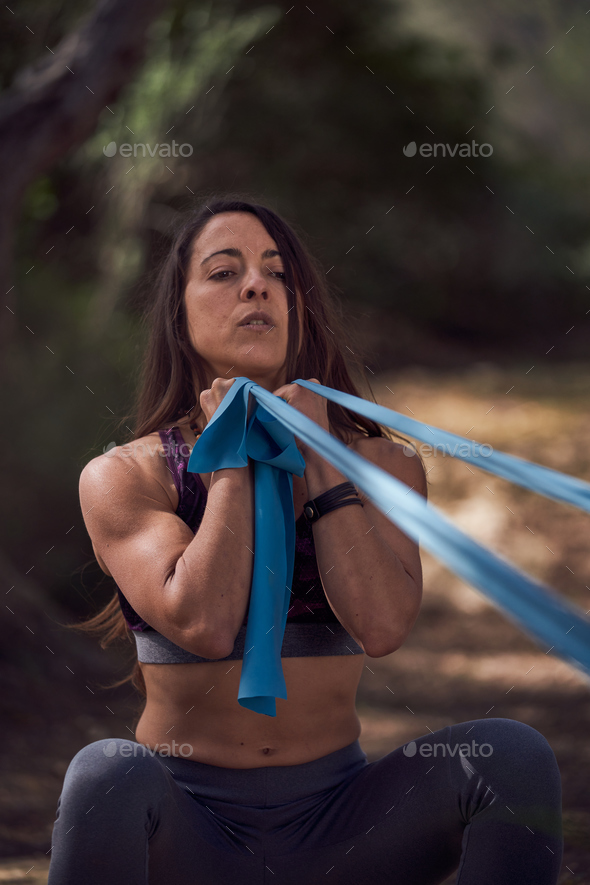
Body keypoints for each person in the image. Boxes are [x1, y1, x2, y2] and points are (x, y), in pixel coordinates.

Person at [48, 197, 563, 885]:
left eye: (277, 273)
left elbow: (381, 624)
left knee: (513, 754)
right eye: (224, 271)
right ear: (180, 311)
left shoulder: (385, 465)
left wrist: (321, 458)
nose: (256, 285)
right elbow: (202, 621)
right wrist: (231, 462)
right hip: (189, 833)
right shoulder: (125, 475)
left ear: (300, 306)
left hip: (343, 830)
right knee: (105, 771)